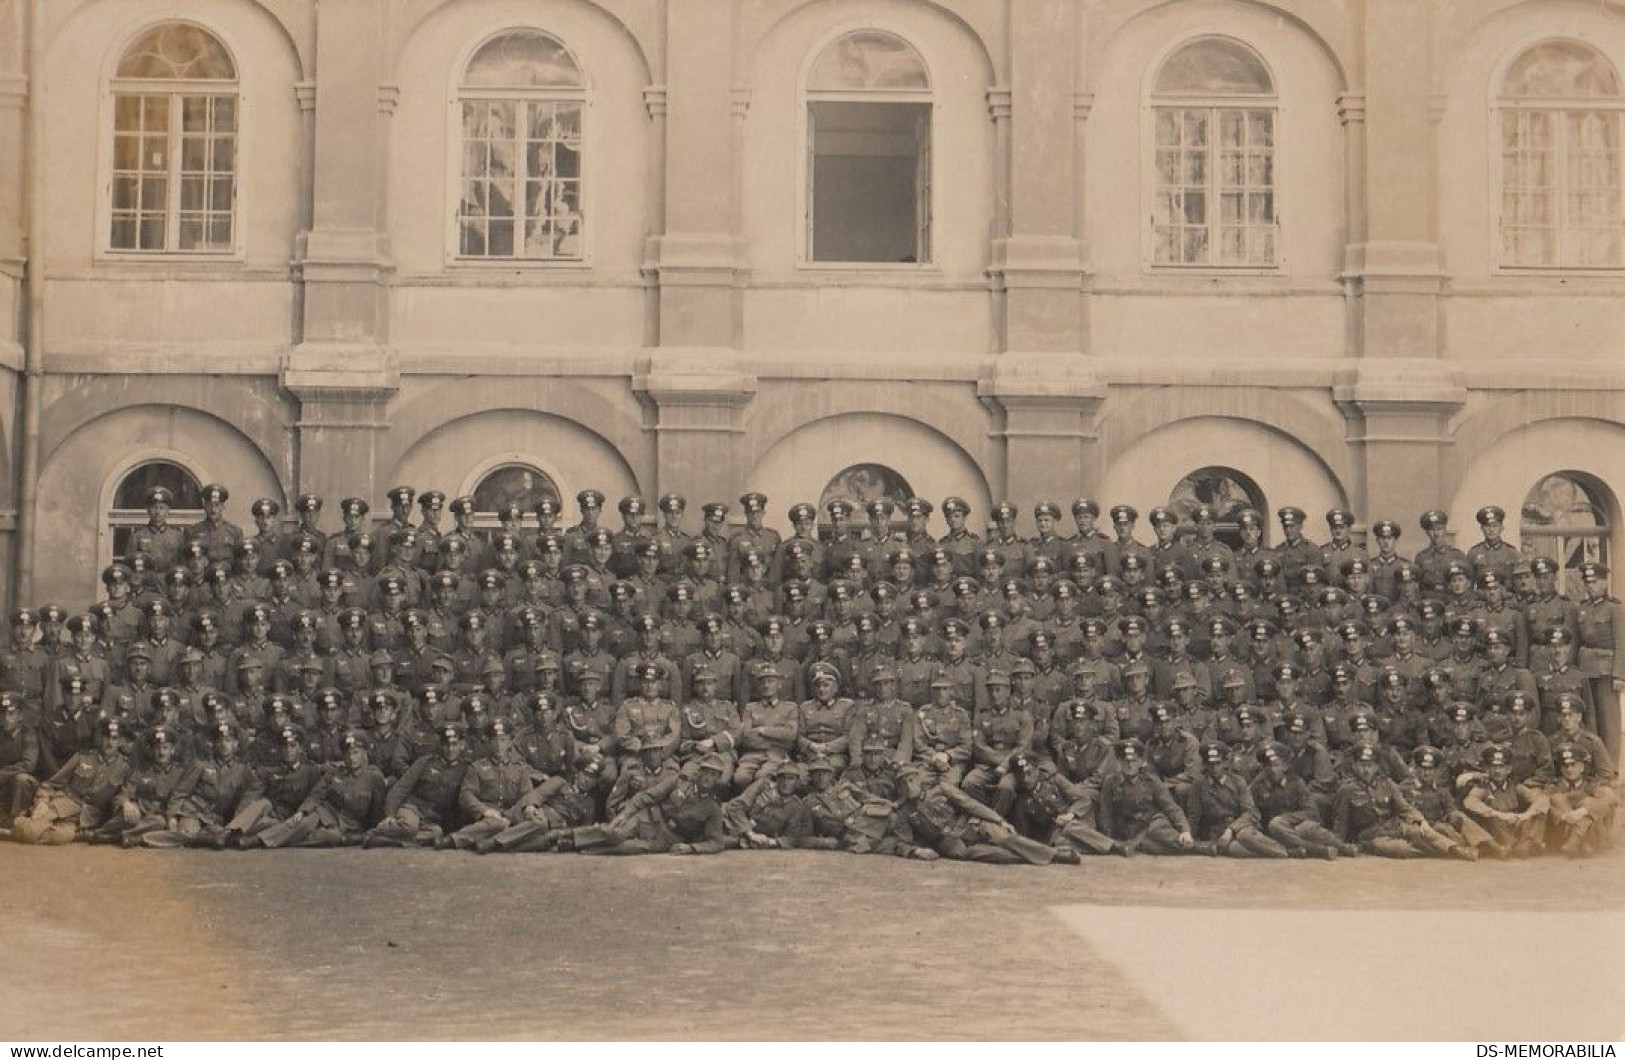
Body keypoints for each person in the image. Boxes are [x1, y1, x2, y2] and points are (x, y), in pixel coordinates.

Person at [14, 716, 133, 845]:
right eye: (106, 737)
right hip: (61, 805)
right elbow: (50, 784)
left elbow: (123, 793)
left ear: (121, 741)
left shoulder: (125, 767)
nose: (109, 742)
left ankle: (19, 830)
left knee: (61, 837)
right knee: (31, 831)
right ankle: (19, 825)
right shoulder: (83, 756)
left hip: (84, 819)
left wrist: (125, 803)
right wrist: (42, 803)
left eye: (114, 738)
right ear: (100, 738)